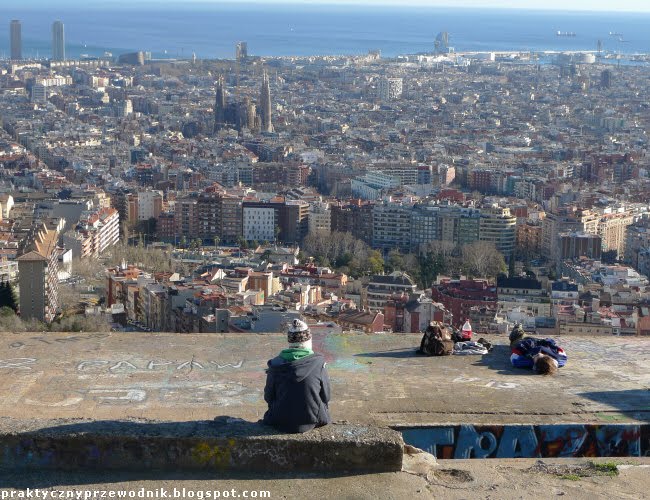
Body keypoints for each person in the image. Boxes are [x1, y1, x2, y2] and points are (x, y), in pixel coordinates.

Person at [262, 319, 331, 433]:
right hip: (313, 420)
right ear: (309, 340)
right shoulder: (318, 363)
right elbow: (326, 396)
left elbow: (268, 397)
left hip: (279, 421)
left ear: (289, 341)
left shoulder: (275, 365)